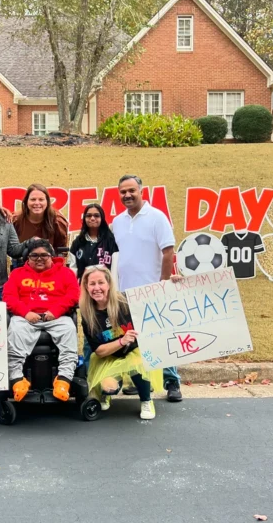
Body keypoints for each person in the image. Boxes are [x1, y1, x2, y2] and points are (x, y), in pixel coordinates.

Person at [111, 174, 183, 402]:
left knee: (161, 338)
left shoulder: (156, 217)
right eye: (123, 191)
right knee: (134, 340)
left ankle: (172, 382)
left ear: (142, 191)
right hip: (125, 292)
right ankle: (144, 382)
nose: (127, 195)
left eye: (131, 190)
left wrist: (162, 283)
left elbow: (168, 251)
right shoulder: (118, 221)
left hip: (152, 290)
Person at [79, 265, 163, 419]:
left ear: (109, 284)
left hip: (134, 351)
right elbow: (99, 351)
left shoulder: (126, 301)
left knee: (139, 363)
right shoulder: (88, 315)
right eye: (92, 284)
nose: (97, 288)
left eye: (101, 282)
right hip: (109, 356)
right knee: (108, 387)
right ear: (86, 287)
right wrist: (122, 341)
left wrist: (174, 284)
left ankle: (146, 400)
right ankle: (107, 394)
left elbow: (159, 300)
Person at [3, 239, 80, 402]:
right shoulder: (17, 274)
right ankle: (17, 380)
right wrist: (25, 312)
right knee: (15, 330)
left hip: (56, 316)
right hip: (26, 317)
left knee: (69, 329)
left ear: (51, 256)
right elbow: (8, 297)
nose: (39, 258)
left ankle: (64, 381)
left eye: (44, 255)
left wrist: (56, 310)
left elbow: (73, 295)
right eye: (34, 255)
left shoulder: (65, 273)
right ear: (27, 258)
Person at [69, 203, 118, 373]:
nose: (92, 218)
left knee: (110, 332)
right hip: (86, 295)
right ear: (84, 218)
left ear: (102, 218)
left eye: (96, 215)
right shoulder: (78, 242)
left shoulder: (111, 240)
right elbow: (73, 269)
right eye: (89, 215)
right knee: (90, 334)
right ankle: (90, 374)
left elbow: (116, 267)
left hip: (107, 296)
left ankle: (112, 372)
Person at [12, 184, 69, 256]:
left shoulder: (58, 221)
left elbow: (61, 250)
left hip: (49, 262)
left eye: (41, 199)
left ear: (47, 202)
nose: (37, 203)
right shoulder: (16, 220)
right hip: (22, 262)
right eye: (33, 199)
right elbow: (12, 249)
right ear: (26, 201)